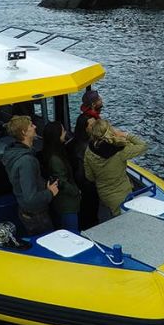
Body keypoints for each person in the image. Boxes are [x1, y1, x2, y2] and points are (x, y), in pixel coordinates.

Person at [0, 115, 59, 235]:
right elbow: (30, 199)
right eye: (31, 125)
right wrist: (50, 192)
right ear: (24, 132)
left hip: (26, 212)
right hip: (37, 216)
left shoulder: (12, 152)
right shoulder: (26, 161)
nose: (35, 126)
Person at [84, 119, 148, 218]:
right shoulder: (120, 151)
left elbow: (90, 177)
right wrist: (126, 135)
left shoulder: (89, 151)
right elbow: (143, 145)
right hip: (122, 195)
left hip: (103, 194)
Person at [71, 88, 103, 227]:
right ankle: (90, 224)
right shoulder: (90, 121)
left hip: (82, 170)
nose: (102, 101)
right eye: (99, 100)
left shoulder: (84, 118)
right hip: (85, 175)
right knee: (89, 200)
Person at [42, 120, 81, 234]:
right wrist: (76, 191)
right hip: (67, 204)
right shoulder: (56, 159)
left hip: (62, 203)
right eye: (63, 131)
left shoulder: (50, 153)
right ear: (57, 135)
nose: (65, 133)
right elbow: (62, 181)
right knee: (72, 233)